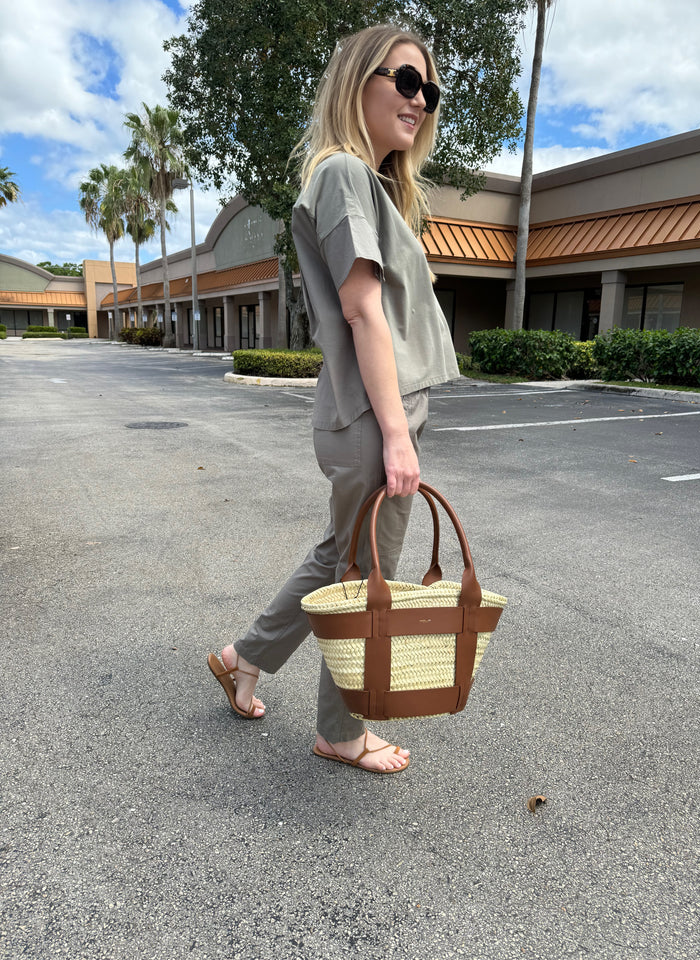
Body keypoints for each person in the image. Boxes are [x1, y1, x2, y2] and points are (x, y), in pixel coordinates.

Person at [208, 23, 460, 773]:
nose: (419, 100)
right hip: (372, 416)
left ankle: (242, 658)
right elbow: (362, 312)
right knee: (363, 579)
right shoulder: (346, 174)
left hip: (359, 414)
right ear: (360, 81)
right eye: (404, 81)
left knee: (336, 560)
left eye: (430, 90)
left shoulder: (366, 183)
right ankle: (340, 731)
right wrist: (396, 433)